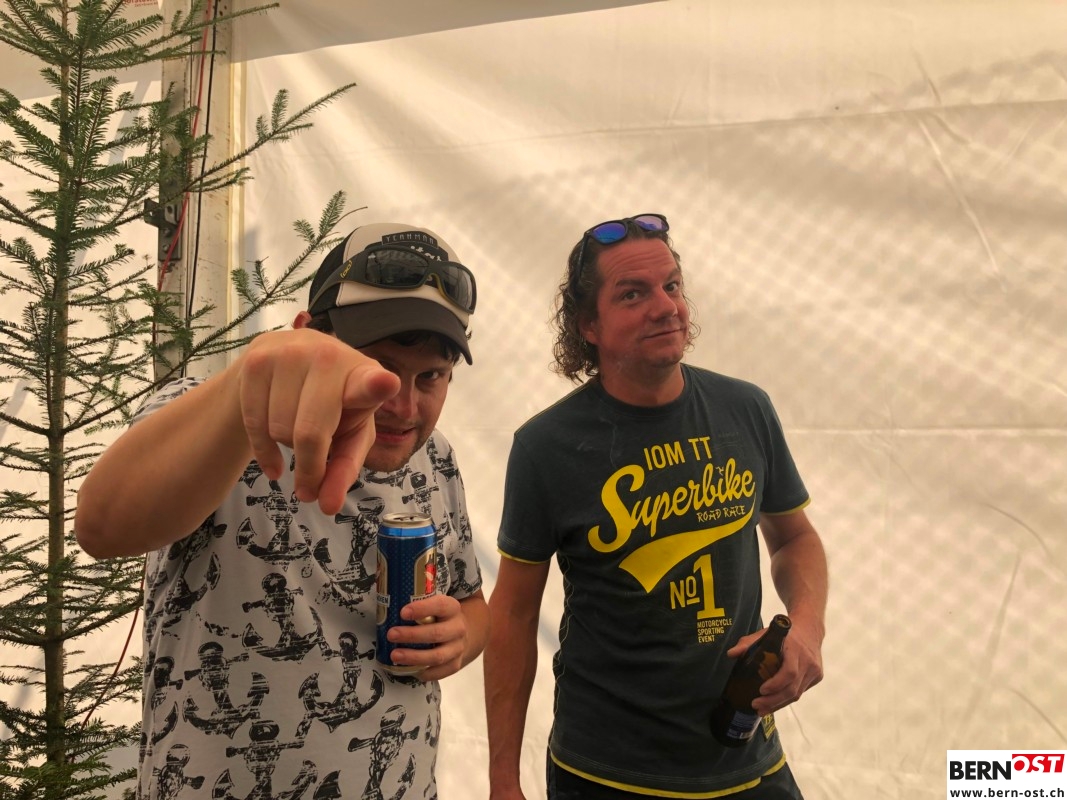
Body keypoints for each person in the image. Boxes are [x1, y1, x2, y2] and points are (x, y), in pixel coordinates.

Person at [76, 223, 489, 800]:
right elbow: (101, 526)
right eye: (379, 368)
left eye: (431, 378)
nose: (403, 404)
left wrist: (460, 638)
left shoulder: (436, 458)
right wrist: (249, 379)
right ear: (305, 338)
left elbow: (473, 602)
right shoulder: (220, 420)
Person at [483, 214, 828, 799]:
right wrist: (502, 782)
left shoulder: (745, 409)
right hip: (605, 772)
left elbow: (795, 538)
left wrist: (808, 629)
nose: (666, 307)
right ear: (588, 325)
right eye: (633, 294)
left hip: (745, 756)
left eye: (672, 286)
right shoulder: (547, 446)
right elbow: (513, 614)